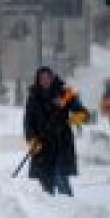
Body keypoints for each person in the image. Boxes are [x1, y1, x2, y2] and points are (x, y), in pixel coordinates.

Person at [23, 66, 89, 196]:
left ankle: (71, 210)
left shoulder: (65, 94)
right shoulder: (33, 97)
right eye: (42, 78)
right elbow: (28, 122)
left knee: (61, 179)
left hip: (61, 145)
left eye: (48, 77)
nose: (45, 81)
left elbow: (84, 115)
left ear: (53, 78)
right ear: (38, 80)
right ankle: (50, 214)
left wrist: (69, 118)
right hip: (42, 147)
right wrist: (32, 139)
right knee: (45, 186)